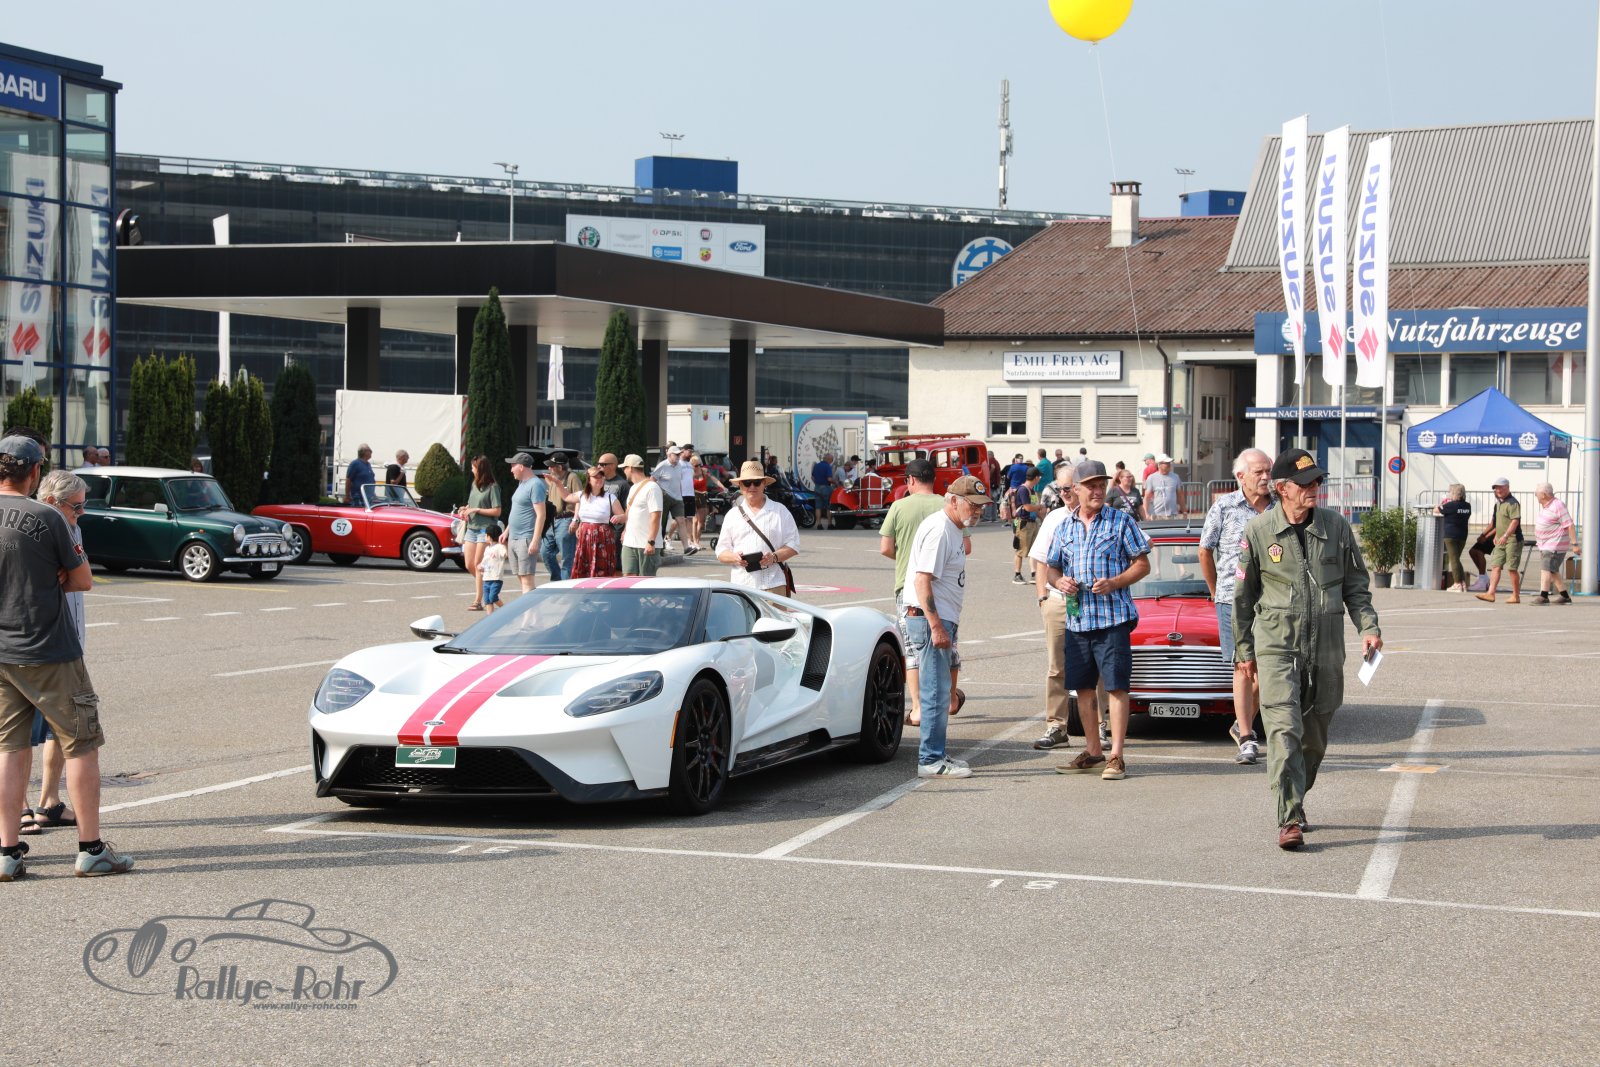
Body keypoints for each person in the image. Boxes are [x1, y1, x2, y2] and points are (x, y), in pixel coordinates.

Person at [1234, 448, 1381, 849]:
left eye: (1317, 481)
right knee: (1284, 731)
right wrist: (1244, 650)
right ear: (1282, 489)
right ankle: (1289, 817)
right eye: (1305, 483)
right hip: (1277, 644)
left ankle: (1297, 793)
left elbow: (1356, 586)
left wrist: (1368, 627)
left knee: (1314, 739)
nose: (1314, 488)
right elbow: (1243, 597)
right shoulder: (1259, 531)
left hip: (1327, 646)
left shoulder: (1336, 527)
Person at [0, 435, 131, 880]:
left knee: (9, 748)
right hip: (49, 648)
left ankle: (7, 852)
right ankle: (91, 849)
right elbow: (82, 580)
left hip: (2, 652)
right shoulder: (47, 517)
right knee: (81, 745)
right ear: (35, 471)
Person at [1044, 460, 1152, 780]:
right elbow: (1051, 568)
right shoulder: (1064, 526)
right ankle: (1093, 752)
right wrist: (1059, 581)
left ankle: (1116, 756)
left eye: (1101, 485)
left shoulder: (1121, 521)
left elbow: (1142, 564)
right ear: (1076, 490)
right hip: (1078, 621)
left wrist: (1115, 582)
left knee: (1116, 687)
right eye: (1090, 486)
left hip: (1112, 619)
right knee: (1083, 688)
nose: (1097, 491)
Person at [18, 470, 89, 838]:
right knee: (17, 734)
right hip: (32, 646)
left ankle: (48, 802)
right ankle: (19, 807)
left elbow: (80, 580)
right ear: (51, 502)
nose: (81, 512)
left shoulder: (71, 528)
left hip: (67, 640)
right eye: (75, 506)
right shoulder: (33, 528)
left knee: (57, 730)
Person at [905, 475, 990, 779]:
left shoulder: (952, 528)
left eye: (981, 506)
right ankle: (930, 759)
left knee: (940, 690)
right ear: (953, 501)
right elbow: (921, 579)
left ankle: (936, 753)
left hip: (939, 619)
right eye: (972, 505)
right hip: (931, 620)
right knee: (935, 691)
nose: (977, 511)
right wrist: (936, 625)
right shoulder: (941, 529)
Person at [1198, 448, 1276, 765]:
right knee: (1243, 666)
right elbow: (1205, 550)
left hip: (1272, 602)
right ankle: (1246, 736)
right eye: (1259, 472)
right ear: (1241, 476)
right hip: (1232, 600)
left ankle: (1239, 723)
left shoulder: (1279, 507)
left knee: (1268, 670)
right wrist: (1217, 591)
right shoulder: (1224, 506)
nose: (1266, 477)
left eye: (1269, 470)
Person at [879, 459, 968, 729]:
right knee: (948, 642)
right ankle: (951, 698)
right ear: (933, 479)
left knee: (913, 648)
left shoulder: (899, 506)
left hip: (908, 585)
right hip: (946, 585)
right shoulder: (949, 504)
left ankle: (918, 707)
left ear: (910, 480)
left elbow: (885, 547)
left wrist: (909, 559)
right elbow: (966, 546)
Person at [716, 460, 799, 596]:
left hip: (774, 585)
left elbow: (793, 544)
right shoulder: (732, 515)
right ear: (740, 486)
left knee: (775, 612)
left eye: (757, 482)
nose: (752, 487)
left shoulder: (780, 511)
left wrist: (774, 557)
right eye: (747, 483)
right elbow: (721, 551)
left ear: (764, 484)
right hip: (741, 586)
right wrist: (735, 558)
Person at [457, 456, 502, 611]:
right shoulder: (474, 485)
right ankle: (488, 586)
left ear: (480, 469)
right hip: (471, 528)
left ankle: (478, 600)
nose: (471, 470)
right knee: (469, 564)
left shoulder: (493, 487)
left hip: (485, 529)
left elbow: (497, 511)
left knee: (478, 564)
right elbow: (472, 504)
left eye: (473, 467)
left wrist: (476, 510)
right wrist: (465, 509)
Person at [502, 451, 547, 595]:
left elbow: (541, 515)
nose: (511, 470)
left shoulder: (536, 485)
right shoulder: (522, 483)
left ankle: (531, 609)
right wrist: (506, 531)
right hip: (514, 537)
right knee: (521, 578)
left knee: (527, 581)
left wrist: (535, 540)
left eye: (513, 466)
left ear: (521, 467)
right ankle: (530, 607)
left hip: (526, 538)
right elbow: (518, 509)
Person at [570, 466, 625, 578]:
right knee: (584, 567)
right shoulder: (582, 495)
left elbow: (624, 516)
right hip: (585, 536)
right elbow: (578, 505)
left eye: (601, 477)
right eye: (596, 477)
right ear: (589, 479)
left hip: (603, 535)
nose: (600, 479)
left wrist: (620, 519)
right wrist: (577, 521)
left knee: (603, 568)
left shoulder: (610, 496)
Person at [1475, 477, 1523, 604]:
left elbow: (1515, 521)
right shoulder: (1498, 504)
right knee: (1495, 566)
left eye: (1500, 487)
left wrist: (1506, 535)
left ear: (1507, 487)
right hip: (1500, 540)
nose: (1498, 490)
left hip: (1513, 539)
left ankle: (1516, 595)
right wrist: (1494, 536)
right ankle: (1491, 593)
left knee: (1512, 568)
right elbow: (1497, 523)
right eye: (1496, 488)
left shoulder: (1513, 503)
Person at [1530, 482, 1576, 605]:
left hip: (1554, 545)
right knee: (1552, 570)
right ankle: (1565, 596)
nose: (1536, 496)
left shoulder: (1558, 505)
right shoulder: (1548, 506)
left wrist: (1575, 544)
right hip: (1546, 544)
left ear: (1543, 495)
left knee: (1546, 569)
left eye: (1536, 493)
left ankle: (1543, 596)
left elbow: (1569, 524)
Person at [539, 454, 582, 581]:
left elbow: (580, 499)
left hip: (566, 518)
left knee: (566, 558)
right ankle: (557, 580)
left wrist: (575, 519)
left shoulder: (572, 477)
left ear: (560, 467)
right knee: (545, 552)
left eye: (552, 466)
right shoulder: (554, 478)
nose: (549, 469)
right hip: (553, 520)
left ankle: (565, 586)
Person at [620, 454, 664, 576]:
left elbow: (655, 516)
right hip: (629, 542)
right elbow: (630, 512)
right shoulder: (633, 488)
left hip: (646, 544)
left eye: (624, 468)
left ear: (630, 468)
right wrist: (625, 530)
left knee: (646, 582)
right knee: (628, 578)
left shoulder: (652, 487)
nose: (623, 471)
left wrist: (651, 542)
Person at [1434, 484, 1472, 592]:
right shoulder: (1467, 506)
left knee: (1454, 560)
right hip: (1463, 535)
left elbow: (1436, 510)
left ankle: (1457, 584)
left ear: (1454, 493)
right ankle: (1462, 583)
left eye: (1450, 492)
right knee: (1456, 559)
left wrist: (1442, 503)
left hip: (1450, 535)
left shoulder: (1450, 505)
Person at [1011, 465, 1044, 584]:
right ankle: (1017, 574)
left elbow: (1033, 508)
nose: (1039, 479)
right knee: (1020, 550)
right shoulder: (1023, 490)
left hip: (1033, 523)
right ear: (1035, 478)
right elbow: (1028, 507)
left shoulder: (1032, 490)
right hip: (1024, 523)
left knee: (1034, 550)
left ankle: (1034, 574)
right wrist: (1040, 507)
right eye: (1039, 477)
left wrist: (1043, 519)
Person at [651, 447, 687, 553]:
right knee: (662, 522)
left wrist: (681, 494)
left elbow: (678, 482)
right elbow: (652, 480)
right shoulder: (663, 465)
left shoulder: (680, 465)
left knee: (681, 520)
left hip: (678, 498)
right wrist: (660, 492)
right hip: (665, 497)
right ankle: (660, 546)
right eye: (676, 454)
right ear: (669, 455)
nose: (678, 457)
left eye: (679, 454)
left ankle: (686, 548)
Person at [678, 445, 703, 554]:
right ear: (683, 451)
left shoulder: (689, 465)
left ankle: (689, 541)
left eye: (692, 451)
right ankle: (668, 537)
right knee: (680, 519)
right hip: (681, 494)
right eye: (689, 451)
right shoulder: (678, 464)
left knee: (689, 519)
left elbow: (694, 476)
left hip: (690, 494)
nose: (691, 454)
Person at [479, 524, 509, 612]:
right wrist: (481, 567)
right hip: (486, 578)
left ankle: (506, 610)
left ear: (490, 537)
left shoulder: (500, 547)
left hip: (496, 579)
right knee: (487, 601)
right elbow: (485, 561)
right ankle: (490, 617)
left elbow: (505, 554)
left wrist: (505, 545)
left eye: (486, 535)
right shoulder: (487, 549)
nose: (485, 537)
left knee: (493, 597)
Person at [1142, 454, 1181, 519]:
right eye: (1166, 463)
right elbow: (1146, 497)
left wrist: (1184, 511)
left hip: (1172, 514)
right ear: (1159, 464)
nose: (1169, 465)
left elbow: (1180, 495)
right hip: (1156, 514)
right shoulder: (1151, 477)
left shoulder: (1175, 477)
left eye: (1169, 463)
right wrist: (1145, 513)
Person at [811, 452, 835, 530]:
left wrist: (817, 484)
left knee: (818, 507)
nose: (831, 462)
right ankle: (829, 524)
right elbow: (829, 479)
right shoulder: (828, 466)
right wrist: (836, 482)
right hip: (826, 488)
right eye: (832, 460)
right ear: (829, 459)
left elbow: (812, 477)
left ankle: (819, 525)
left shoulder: (816, 465)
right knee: (829, 507)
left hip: (817, 487)